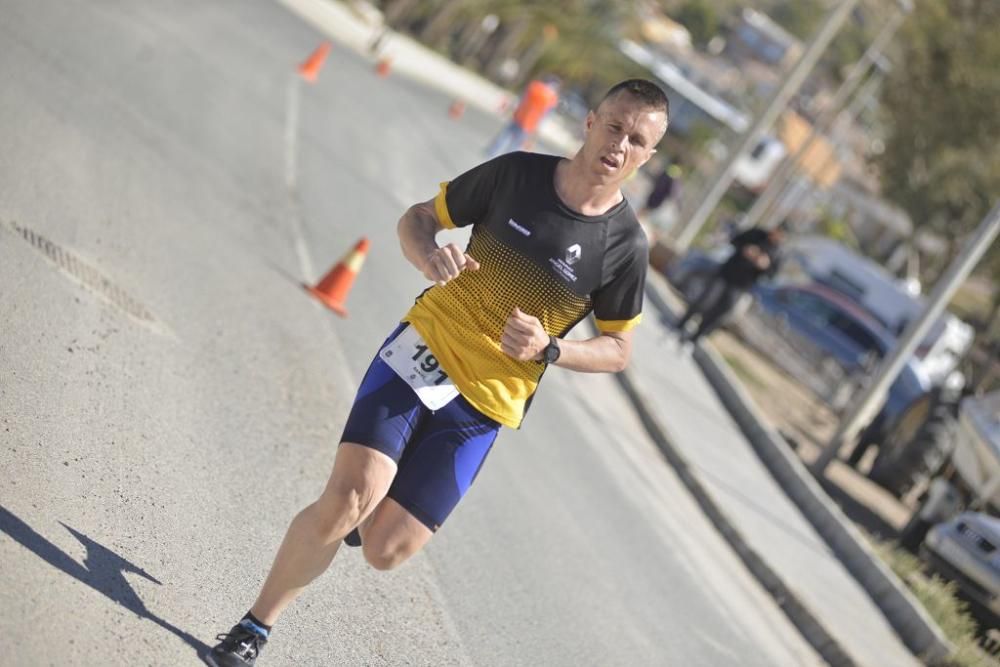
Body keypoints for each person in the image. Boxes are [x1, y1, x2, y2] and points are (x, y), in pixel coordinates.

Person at [205, 78, 670, 667]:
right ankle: (254, 627)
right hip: (426, 347)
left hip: (486, 403)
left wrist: (551, 348)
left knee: (385, 550)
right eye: (614, 126)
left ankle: (361, 519)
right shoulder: (517, 174)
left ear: (649, 156)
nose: (620, 146)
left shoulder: (625, 245)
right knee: (349, 495)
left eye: (637, 140)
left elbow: (618, 349)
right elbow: (419, 217)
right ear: (590, 121)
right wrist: (429, 254)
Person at [674, 225, 784, 348]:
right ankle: (679, 326)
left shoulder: (777, 253)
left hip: (741, 286)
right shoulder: (756, 234)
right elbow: (735, 240)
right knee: (705, 301)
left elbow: (771, 275)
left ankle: (694, 339)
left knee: (720, 313)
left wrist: (764, 265)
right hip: (725, 274)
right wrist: (746, 249)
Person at [485, 76, 560, 158]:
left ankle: (492, 151)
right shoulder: (552, 98)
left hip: (519, 115)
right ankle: (508, 159)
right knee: (516, 143)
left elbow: (522, 98)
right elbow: (545, 115)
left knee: (505, 134)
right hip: (530, 123)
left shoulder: (534, 86)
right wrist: (537, 129)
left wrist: (512, 108)